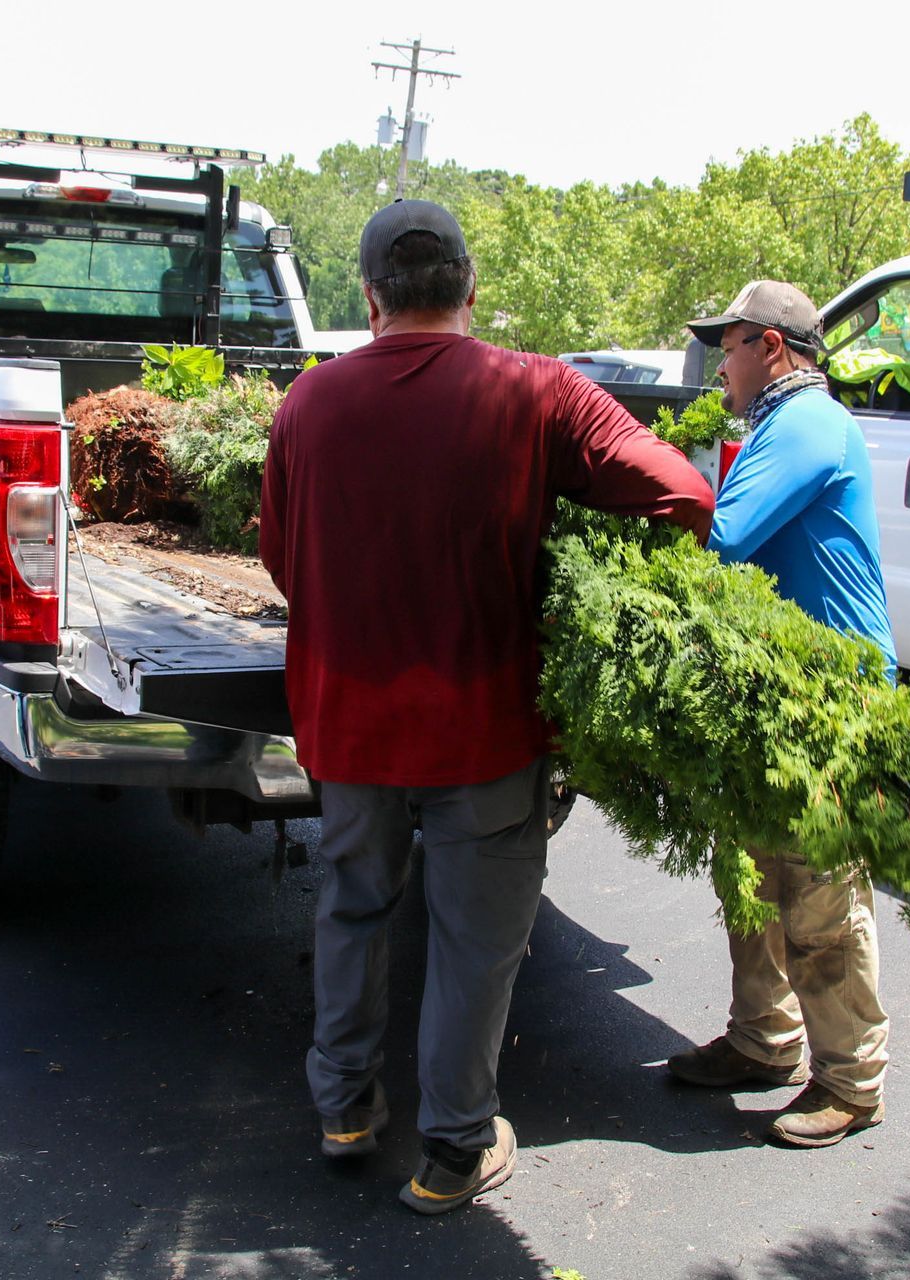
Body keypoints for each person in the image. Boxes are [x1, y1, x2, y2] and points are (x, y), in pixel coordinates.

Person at [259, 199, 714, 1213]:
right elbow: (683, 493)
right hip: (486, 730)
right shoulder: (536, 390)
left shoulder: (308, 404)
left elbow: (282, 561)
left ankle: (343, 1107)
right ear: (471, 288)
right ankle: (454, 1148)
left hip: (350, 727)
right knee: (472, 939)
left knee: (352, 905)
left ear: (369, 296)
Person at [668, 280, 898, 1148]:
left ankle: (851, 1082)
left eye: (724, 346)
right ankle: (764, 1040)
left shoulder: (803, 425)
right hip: (782, 686)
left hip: (828, 699)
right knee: (758, 879)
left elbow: (721, 534)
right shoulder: (781, 424)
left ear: (769, 345)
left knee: (819, 895)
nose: (715, 364)